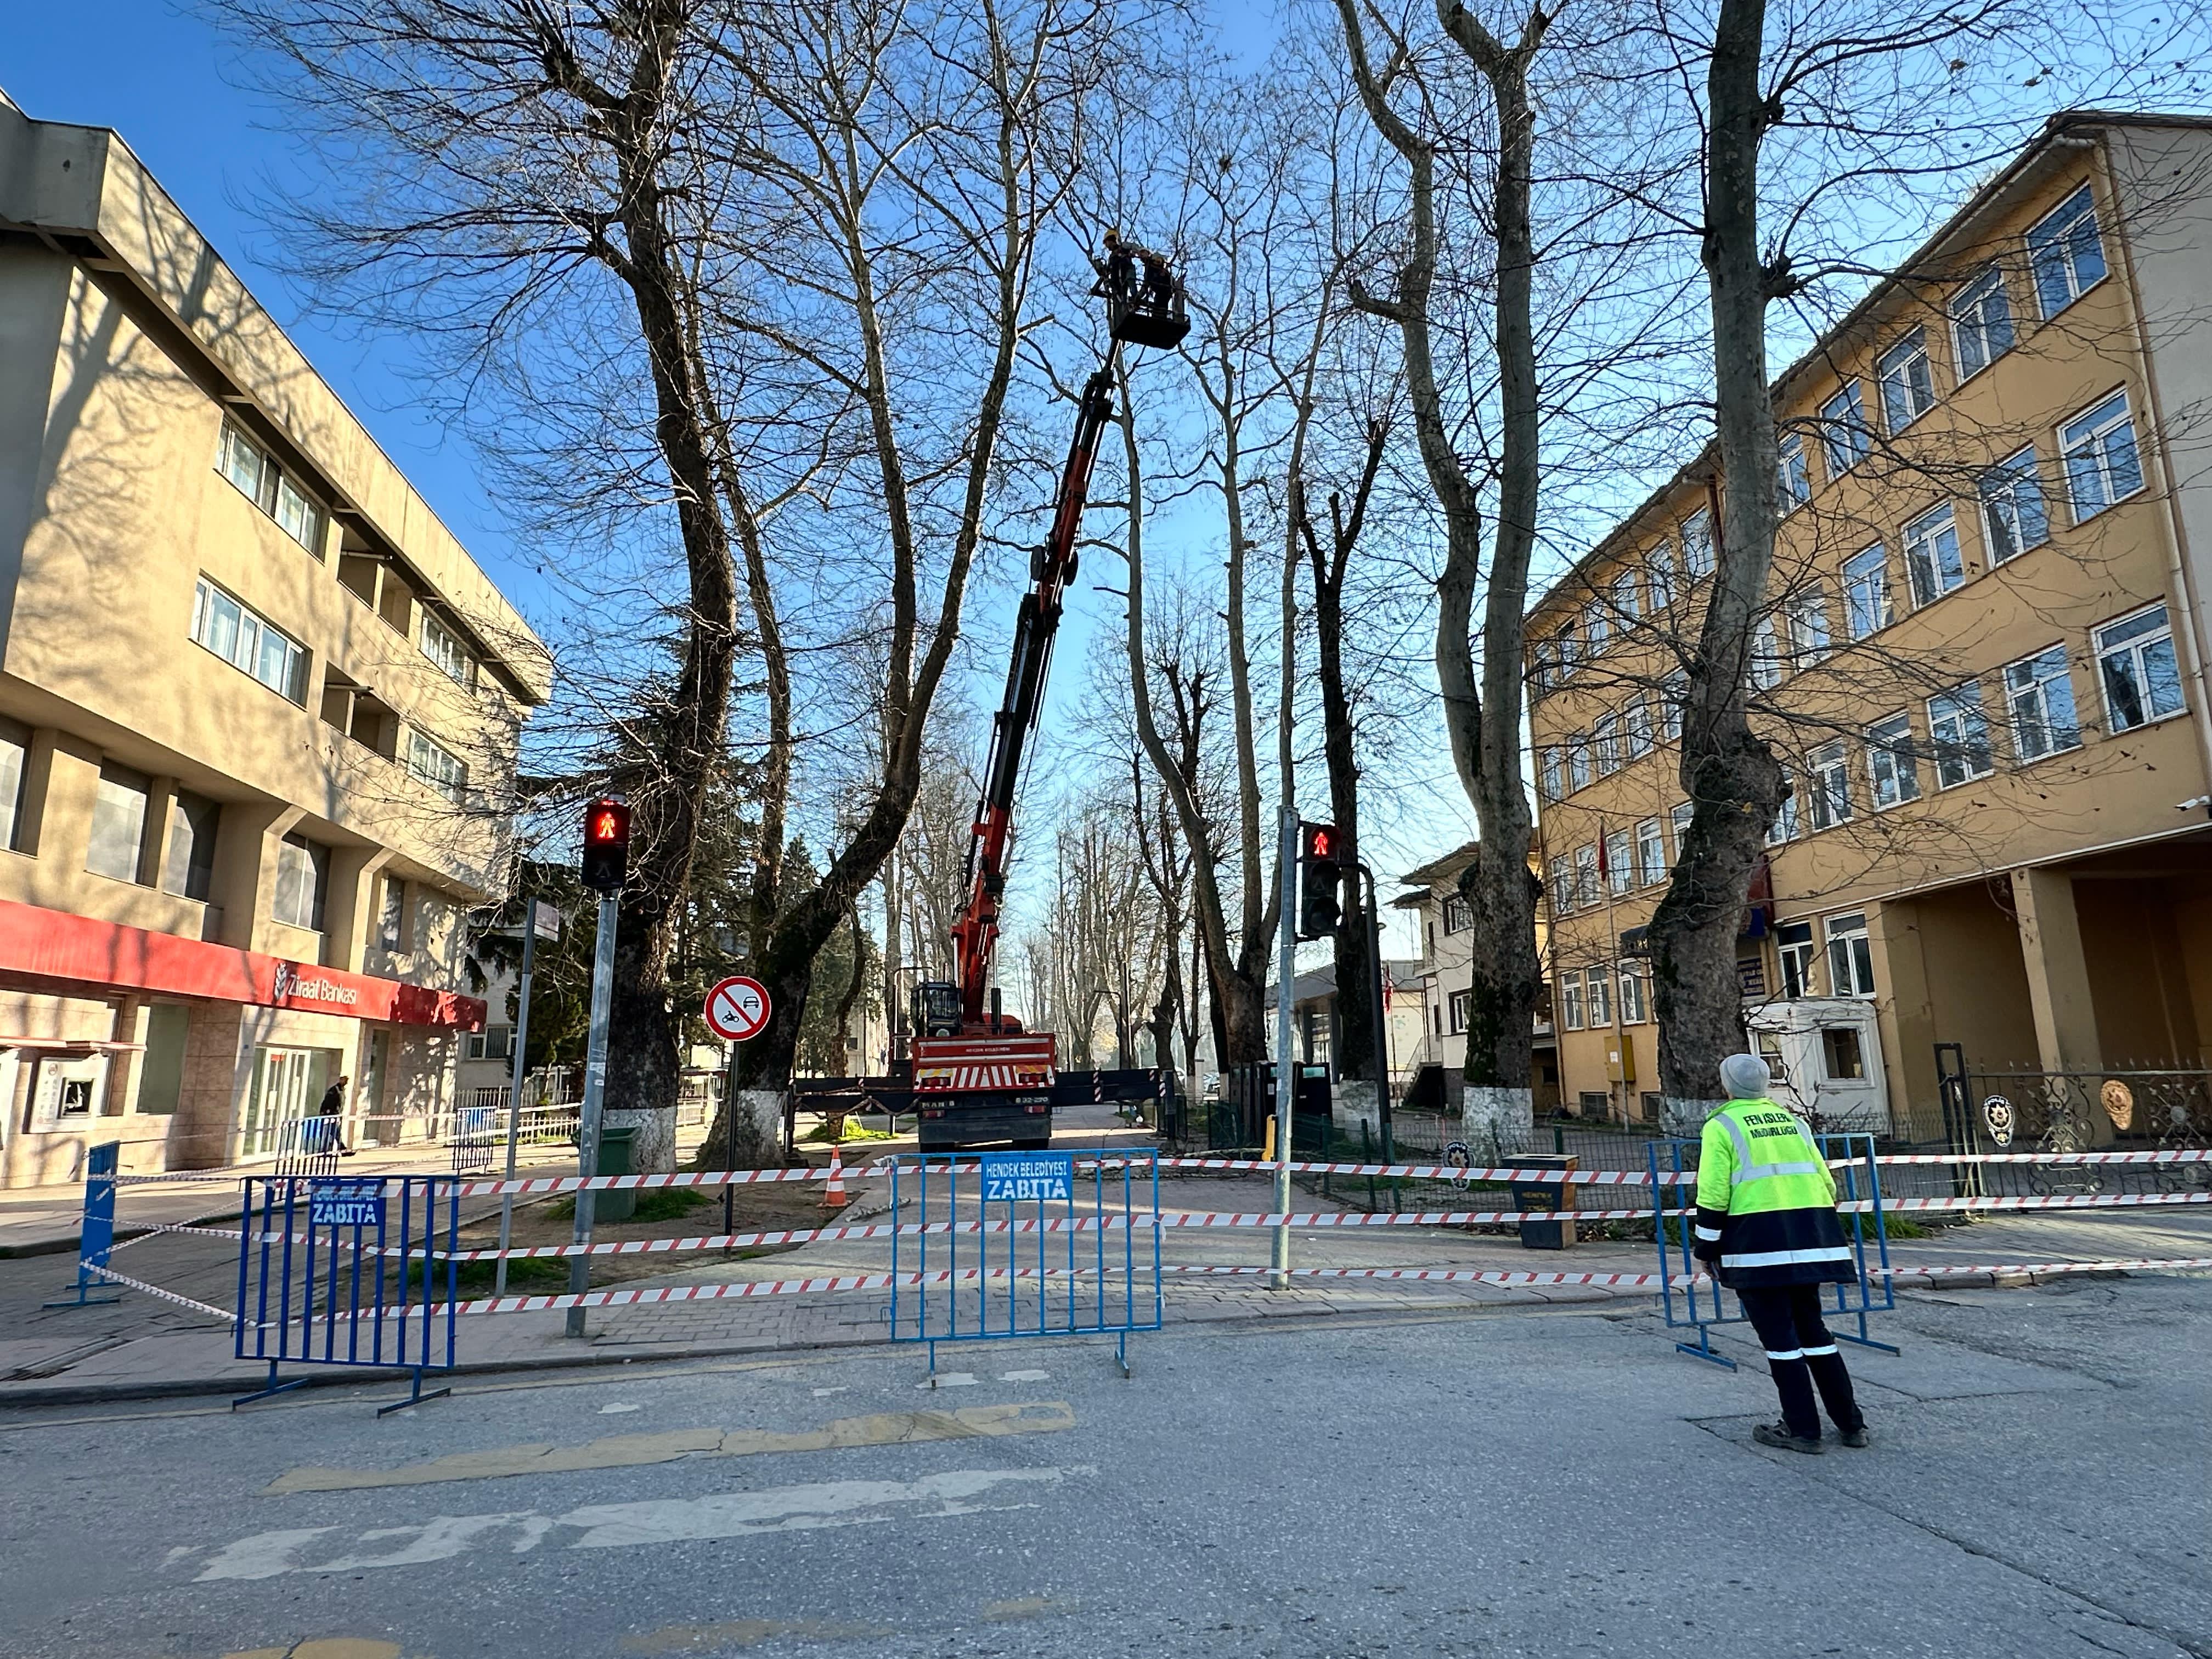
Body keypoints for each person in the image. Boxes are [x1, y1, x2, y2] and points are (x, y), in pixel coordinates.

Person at [1692, 1053, 1869, 1454]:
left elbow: (1715, 1193)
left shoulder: (1722, 1126)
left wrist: (1706, 1246)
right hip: (1809, 1241)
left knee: (1780, 1341)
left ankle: (1803, 1429)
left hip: (1757, 1246)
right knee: (1817, 1334)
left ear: (1727, 1086)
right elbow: (1826, 1183)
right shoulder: (1794, 1122)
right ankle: (1851, 1425)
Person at [314, 1074, 353, 1158]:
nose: (346, 1082)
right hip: (332, 1115)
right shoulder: (334, 1090)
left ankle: (328, 1151)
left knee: (334, 1133)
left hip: (337, 1115)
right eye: (345, 1080)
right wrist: (325, 1112)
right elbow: (327, 1102)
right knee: (334, 1133)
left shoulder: (341, 1090)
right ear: (341, 1080)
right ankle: (327, 1151)